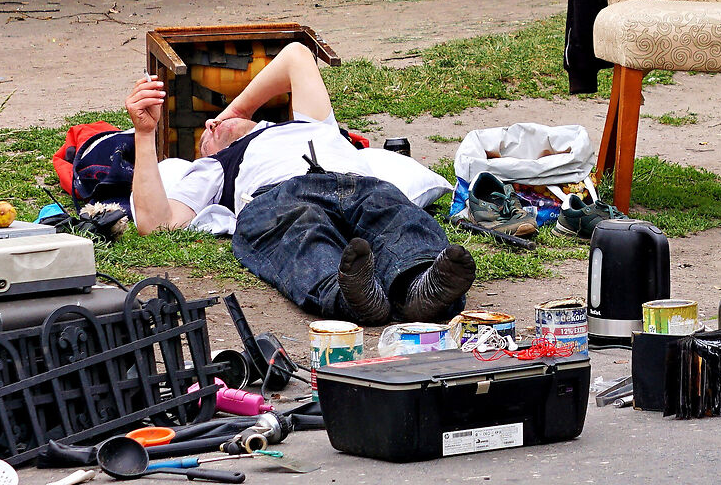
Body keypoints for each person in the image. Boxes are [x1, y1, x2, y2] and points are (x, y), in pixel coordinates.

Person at [124, 46, 475, 327]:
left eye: (211, 125)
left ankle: (421, 287)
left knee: (393, 214)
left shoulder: (311, 123)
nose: (210, 128)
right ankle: (351, 295)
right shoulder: (216, 166)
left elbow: (296, 55)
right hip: (279, 196)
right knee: (300, 230)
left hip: (357, 183)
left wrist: (233, 112)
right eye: (205, 137)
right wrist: (144, 134)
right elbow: (156, 223)